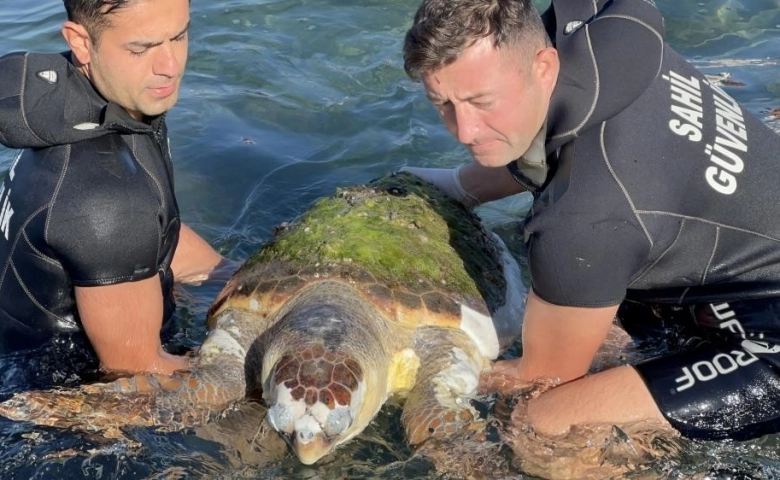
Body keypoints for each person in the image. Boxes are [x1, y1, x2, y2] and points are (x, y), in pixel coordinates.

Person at [401, 0, 780, 442]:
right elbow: (534, 135)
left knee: (541, 426)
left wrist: (429, 376)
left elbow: (537, 378)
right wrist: (461, 187)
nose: (464, 130)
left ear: (544, 65)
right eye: (443, 103)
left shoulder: (579, 222)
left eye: (481, 101)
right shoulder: (606, 16)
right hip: (728, 257)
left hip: (766, 339)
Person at [0, 0, 234, 383]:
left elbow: (150, 232)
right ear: (80, 41)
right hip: (70, 400)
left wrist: (231, 276)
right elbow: (142, 379)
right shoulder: (105, 194)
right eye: (140, 49)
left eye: (179, 36)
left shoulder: (79, 105)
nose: (170, 67)